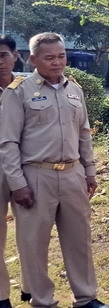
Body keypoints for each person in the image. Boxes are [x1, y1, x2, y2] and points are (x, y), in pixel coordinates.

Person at [0, 32, 109, 308]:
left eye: (61, 56)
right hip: (36, 174)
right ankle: (42, 300)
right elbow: (8, 142)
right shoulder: (19, 91)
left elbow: (84, 134)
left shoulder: (74, 89)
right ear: (32, 59)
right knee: (33, 243)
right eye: (49, 57)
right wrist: (18, 184)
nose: (57, 62)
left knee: (79, 239)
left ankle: (86, 298)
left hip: (73, 173)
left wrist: (89, 171)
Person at [0, 35, 29, 308]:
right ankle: (1, 295)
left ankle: (31, 286)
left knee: (31, 230)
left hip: (27, 166)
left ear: (15, 55)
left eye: (3, 55)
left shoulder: (27, 88)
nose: (0, 62)